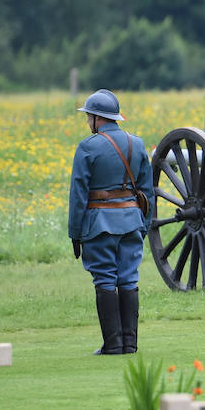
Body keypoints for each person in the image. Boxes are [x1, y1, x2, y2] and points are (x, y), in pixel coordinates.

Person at [69, 89, 155, 354]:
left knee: (105, 279)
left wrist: (75, 233)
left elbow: (78, 195)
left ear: (97, 118)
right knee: (128, 278)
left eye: (89, 116)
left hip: (99, 225)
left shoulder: (87, 147)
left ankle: (113, 344)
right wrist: (144, 225)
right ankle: (130, 344)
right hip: (132, 222)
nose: (87, 121)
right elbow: (147, 192)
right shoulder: (137, 144)